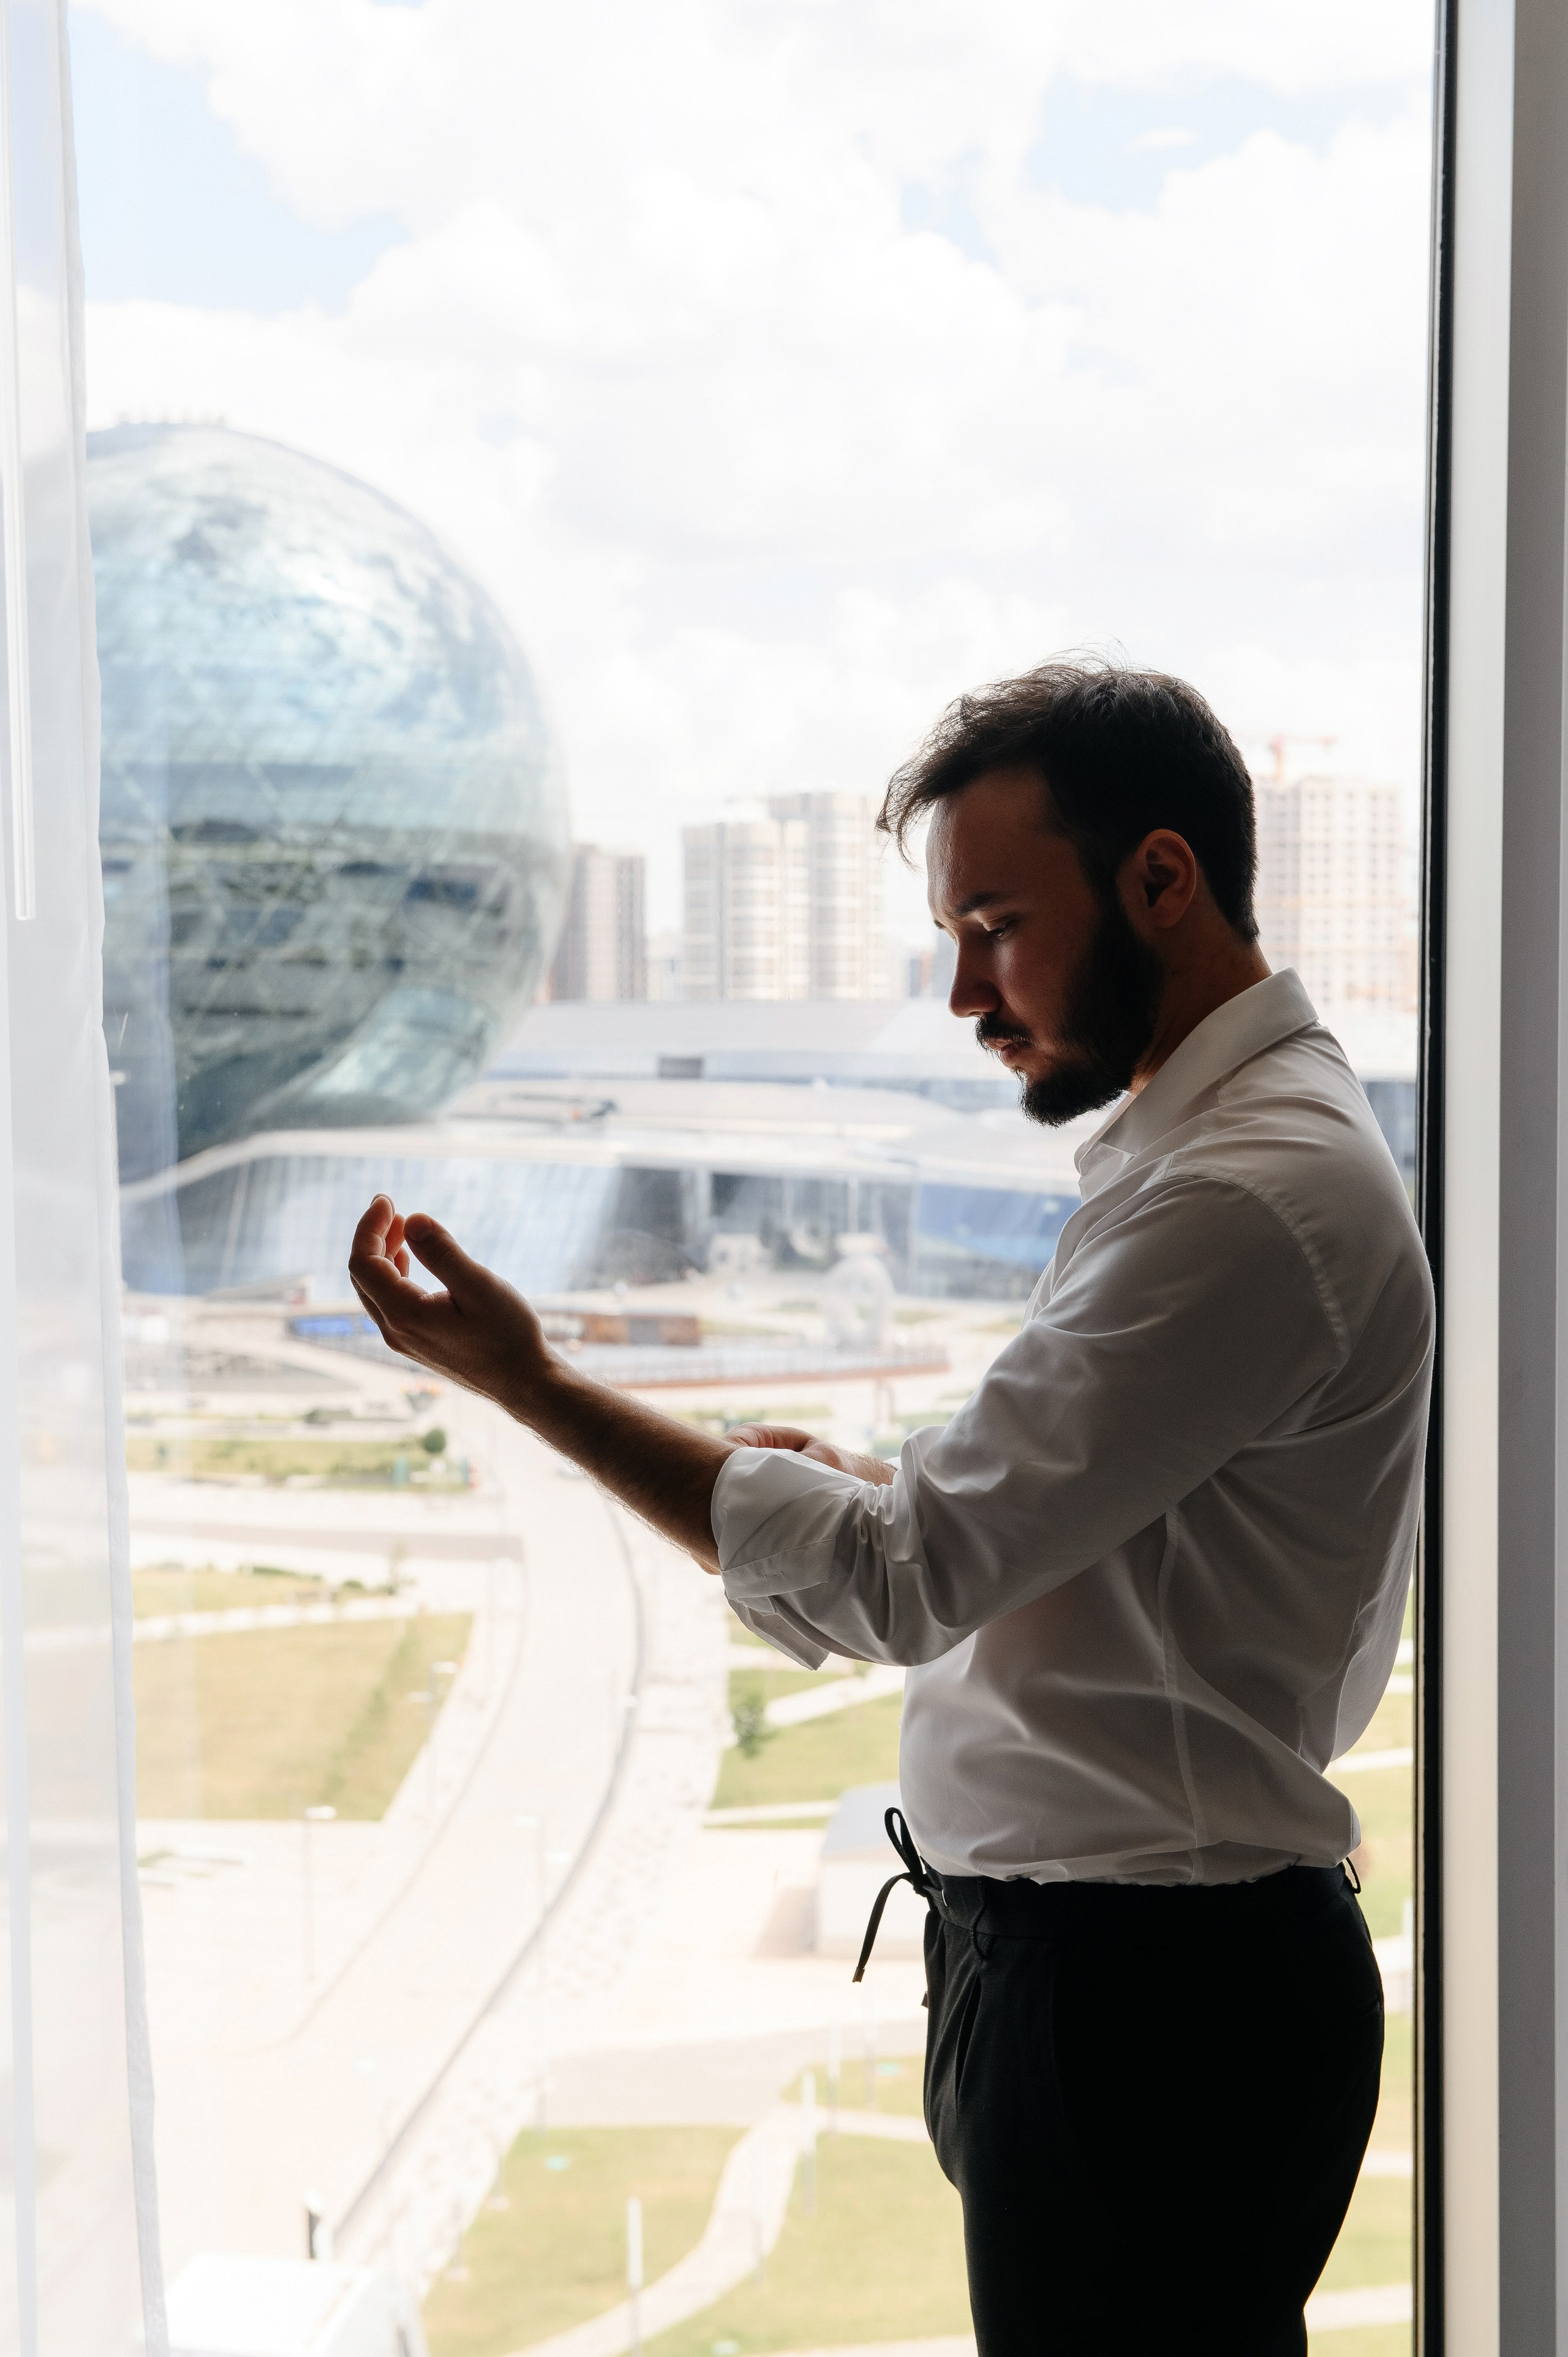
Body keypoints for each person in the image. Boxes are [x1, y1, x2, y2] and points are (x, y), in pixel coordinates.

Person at [349, 659, 1433, 2356]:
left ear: (1163, 878)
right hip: (1127, 1983)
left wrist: (532, 1384)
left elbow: (898, 1585)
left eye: (994, 924)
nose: (964, 997)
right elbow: (1091, 1545)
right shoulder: (1211, 1156)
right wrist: (872, 1502)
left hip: (1145, 2010)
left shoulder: (1241, 1196)